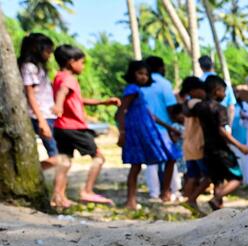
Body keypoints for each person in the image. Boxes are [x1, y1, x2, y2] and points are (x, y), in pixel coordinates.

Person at [52, 45, 120, 206]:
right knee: (99, 158)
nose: (83, 66)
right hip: (74, 128)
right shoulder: (69, 79)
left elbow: (77, 100)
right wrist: (59, 106)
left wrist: (103, 101)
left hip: (61, 127)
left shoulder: (58, 76)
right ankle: (87, 191)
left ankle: (58, 197)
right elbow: (63, 92)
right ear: (71, 62)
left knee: (65, 162)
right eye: (81, 62)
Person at [116, 60, 180, 210]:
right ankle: (131, 200)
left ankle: (162, 193)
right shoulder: (132, 90)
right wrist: (122, 132)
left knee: (168, 158)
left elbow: (151, 116)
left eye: (146, 74)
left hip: (149, 131)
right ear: (132, 74)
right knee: (137, 165)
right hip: (138, 133)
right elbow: (121, 111)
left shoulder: (139, 91)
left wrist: (170, 127)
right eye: (140, 73)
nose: (143, 77)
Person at [17, 33, 71, 208]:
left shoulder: (39, 68)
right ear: (37, 49)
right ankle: (28, 173)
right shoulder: (29, 67)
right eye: (47, 50)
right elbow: (30, 95)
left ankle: (59, 195)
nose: (50, 54)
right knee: (58, 158)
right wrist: (40, 121)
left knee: (61, 158)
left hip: (49, 115)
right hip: (39, 117)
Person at [195, 75, 248, 211]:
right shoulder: (219, 108)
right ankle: (216, 198)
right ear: (216, 90)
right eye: (224, 91)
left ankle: (218, 211)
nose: (225, 94)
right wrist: (240, 146)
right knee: (236, 178)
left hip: (208, 149)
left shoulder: (200, 107)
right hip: (221, 149)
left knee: (217, 180)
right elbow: (222, 131)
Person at [142, 56, 181, 202]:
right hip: (165, 127)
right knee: (171, 159)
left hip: (147, 129)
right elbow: (170, 107)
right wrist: (173, 126)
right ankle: (173, 191)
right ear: (160, 67)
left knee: (152, 163)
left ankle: (154, 194)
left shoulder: (142, 84)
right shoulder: (164, 84)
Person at [178, 76, 210, 212]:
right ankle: (192, 199)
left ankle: (189, 200)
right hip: (198, 144)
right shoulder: (197, 103)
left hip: (188, 144)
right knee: (209, 176)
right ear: (194, 90)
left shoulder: (187, 103)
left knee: (192, 175)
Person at [198, 55, 235, 124]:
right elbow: (231, 107)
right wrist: (229, 126)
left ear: (200, 66)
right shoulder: (225, 82)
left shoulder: (198, 84)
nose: (224, 94)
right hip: (222, 124)